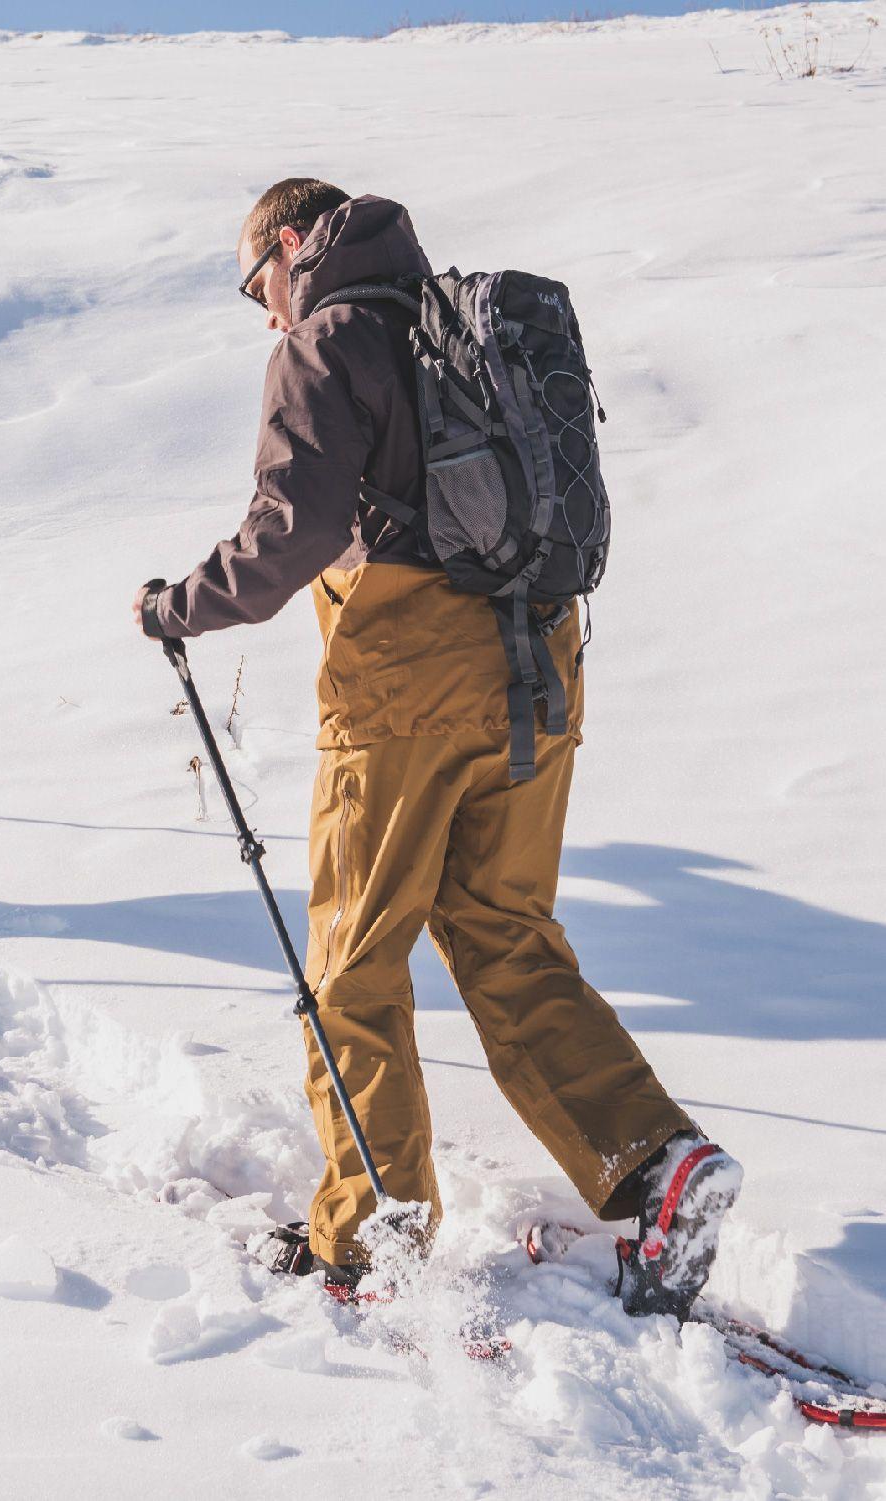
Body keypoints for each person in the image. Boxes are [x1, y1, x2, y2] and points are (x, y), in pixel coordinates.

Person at [134, 179, 740, 1317]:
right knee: (506, 934)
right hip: (539, 668)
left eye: (253, 282)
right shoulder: (455, 325)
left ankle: (368, 1235)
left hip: (407, 684)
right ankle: (658, 1166)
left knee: (353, 965)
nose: (261, 309)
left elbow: (294, 529)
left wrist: (182, 604)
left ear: (287, 245)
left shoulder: (329, 338)